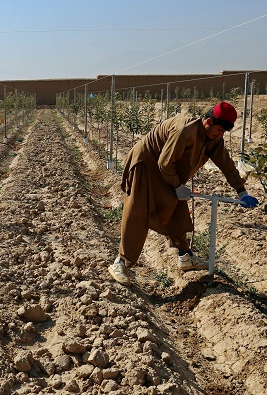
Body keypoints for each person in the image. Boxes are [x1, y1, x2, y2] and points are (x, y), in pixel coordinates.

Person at [108, 101, 258, 284]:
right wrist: (177, 186)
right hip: (146, 163)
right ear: (208, 121)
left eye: (224, 132)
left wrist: (241, 191)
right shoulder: (184, 131)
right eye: (220, 130)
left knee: (177, 208)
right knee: (138, 211)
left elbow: (225, 162)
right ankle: (121, 262)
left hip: (166, 170)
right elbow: (164, 163)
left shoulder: (213, 137)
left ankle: (185, 257)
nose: (221, 135)